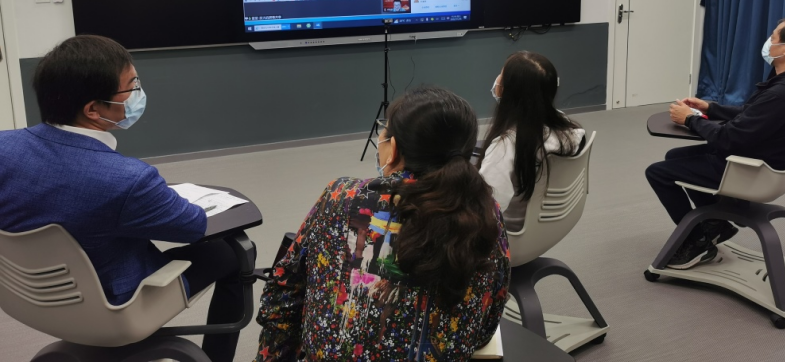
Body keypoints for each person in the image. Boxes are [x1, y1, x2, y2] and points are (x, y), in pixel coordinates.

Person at [0, 35, 244, 361]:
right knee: (230, 251)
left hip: (24, 299)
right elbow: (192, 226)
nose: (137, 95)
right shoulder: (127, 179)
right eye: (131, 87)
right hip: (115, 308)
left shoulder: (4, 147)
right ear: (92, 109)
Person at [255, 87, 510, 361]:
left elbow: (284, 292)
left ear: (393, 148)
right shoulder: (482, 212)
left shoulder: (341, 197)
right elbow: (487, 321)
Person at [646, 16, 785, 270]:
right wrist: (710, 108)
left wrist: (690, 119)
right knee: (675, 157)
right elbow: (754, 115)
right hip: (768, 159)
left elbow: (728, 139)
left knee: (657, 172)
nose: (768, 42)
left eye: (773, 37)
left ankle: (697, 242)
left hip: (752, 170)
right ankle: (716, 224)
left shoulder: (781, 94)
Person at [477, 51, 585, 233]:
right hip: (553, 224)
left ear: (508, 91)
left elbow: (487, 210)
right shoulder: (570, 132)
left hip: (512, 233)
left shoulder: (505, 147)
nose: (497, 81)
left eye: (502, 76)